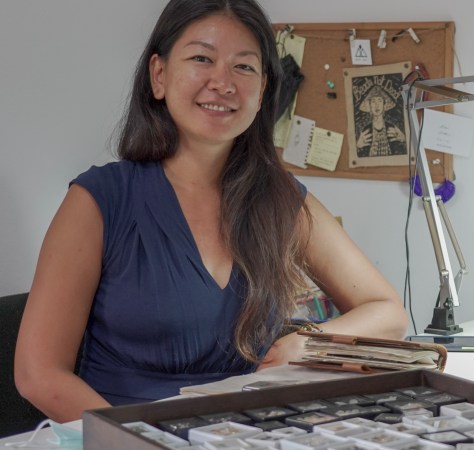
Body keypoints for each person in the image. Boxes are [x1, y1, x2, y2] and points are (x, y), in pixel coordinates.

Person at [14, 0, 407, 423]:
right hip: (124, 434)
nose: (222, 83)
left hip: (247, 432)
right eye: (202, 59)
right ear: (159, 75)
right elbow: (39, 375)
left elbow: (388, 312)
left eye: (243, 67)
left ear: (262, 90)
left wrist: (307, 342)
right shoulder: (98, 200)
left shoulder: (280, 198)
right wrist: (140, 440)